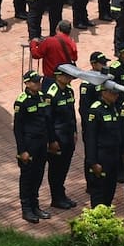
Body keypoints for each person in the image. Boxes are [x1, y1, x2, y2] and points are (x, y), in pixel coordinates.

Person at [13, 71, 52, 224]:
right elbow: (17, 129)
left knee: (38, 174)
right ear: (27, 83)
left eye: (39, 81)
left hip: (42, 144)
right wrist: (22, 150)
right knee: (27, 177)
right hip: (29, 144)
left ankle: (35, 206)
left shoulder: (42, 97)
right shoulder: (22, 101)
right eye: (35, 82)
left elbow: (46, 121)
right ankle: (26, 208)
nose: (38, 83)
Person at [45, 66, 79, 210]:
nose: (68, 79)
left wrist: (75, 131)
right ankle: (56, 198)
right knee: (56, 169)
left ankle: (61, 194)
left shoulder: (69, 91)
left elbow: (71, 113)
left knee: (64, 167)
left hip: (68, 135)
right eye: (66, 76)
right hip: (58, 137)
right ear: (58, 76)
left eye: (70, 77)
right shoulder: (51, 94)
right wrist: (52, 141)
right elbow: (47, 119)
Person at [83, 86, 123, 207]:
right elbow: (90, 139)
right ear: (104, 92)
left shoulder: (114, 107)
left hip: (113, 157)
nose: (116, 96)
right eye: (113, 93)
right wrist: (93, 162)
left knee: (110, 190)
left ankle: (106, 216)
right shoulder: (96, 110)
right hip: (101, 157)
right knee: (99, 193)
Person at [30, 20, 77, 86]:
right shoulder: (71, 42)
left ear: (57, 28)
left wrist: (33, 43)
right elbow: (74, 58)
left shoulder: (49, 41)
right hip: (65, 78)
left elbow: (36, 55)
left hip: (50, 79)